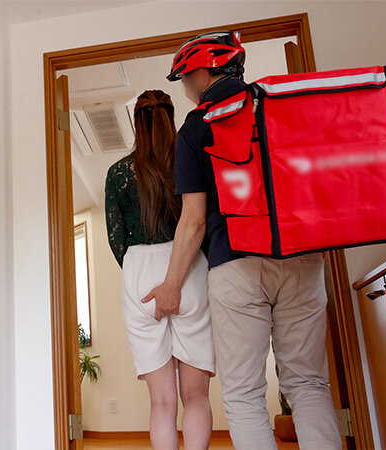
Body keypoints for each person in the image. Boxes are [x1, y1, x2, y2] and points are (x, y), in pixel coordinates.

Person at [145, 31, 341, 449]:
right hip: (302, 257)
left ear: (203, 74)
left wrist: (171, 284)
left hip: (236, 265)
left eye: (186, 80)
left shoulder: (196, 127)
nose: (186, 90)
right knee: (308, 384)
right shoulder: (279, 105)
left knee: (244, 394)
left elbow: (194, 220)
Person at [105, 90, 214, 450]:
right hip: (188, 268)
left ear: (137, 122)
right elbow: (203, 221)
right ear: (171, 117)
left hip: (139, 272)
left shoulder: (117, 174)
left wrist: (139, 271)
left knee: (162, 403)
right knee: (196, 396)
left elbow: (116, 239)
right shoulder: (190, 162)